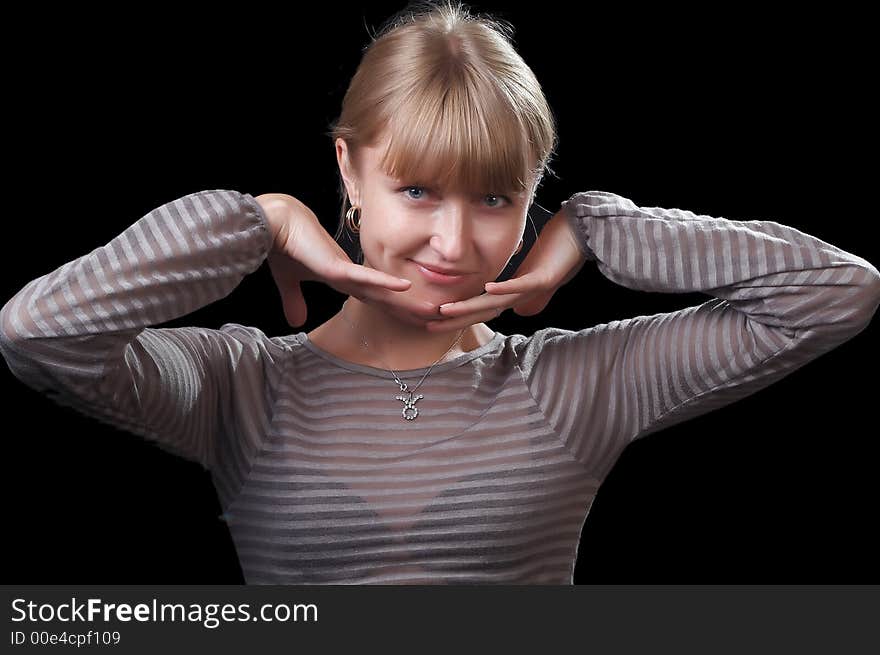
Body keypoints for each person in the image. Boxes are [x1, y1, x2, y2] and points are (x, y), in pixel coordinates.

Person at [1, 0, 878, 584]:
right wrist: (255, 221)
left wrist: (596, 226)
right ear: (348, 167)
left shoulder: (573, 382)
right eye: (417, 189)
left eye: (496, 197)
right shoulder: (243, 385)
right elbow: (41, 332)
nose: (455, 244)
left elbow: (836, 292)